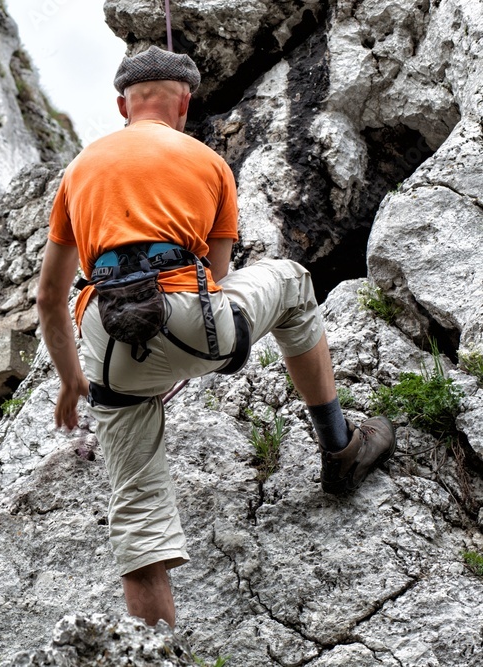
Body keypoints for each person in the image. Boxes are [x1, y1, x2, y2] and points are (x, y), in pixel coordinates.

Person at [35, 47, 396, 628]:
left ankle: (155, 653)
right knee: (294, 283)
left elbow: (50, 296)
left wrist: (71, 381)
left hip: (109, 337)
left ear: (122, 104)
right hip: (194, 319)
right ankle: (340, 449)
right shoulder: (207, 162)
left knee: (138, 515)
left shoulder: (80, 170)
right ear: (184, 102)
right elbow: (219, 277)